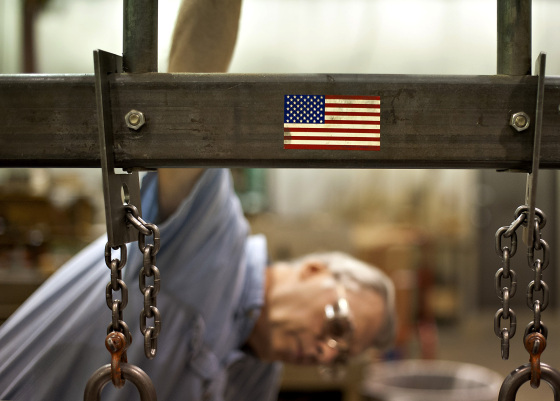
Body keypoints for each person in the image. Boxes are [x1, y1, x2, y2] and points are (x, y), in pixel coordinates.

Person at [0, 0, 396, 400]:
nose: (323, 351)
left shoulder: (256, 382)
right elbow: (190, 89)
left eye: (339, 358)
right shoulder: (211, 235)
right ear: (313, 270)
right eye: (337, 326)